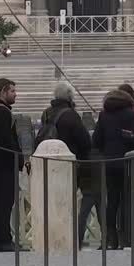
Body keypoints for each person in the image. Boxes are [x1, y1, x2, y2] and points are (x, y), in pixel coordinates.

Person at [38, 83, 93, 248]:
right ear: (70, 97)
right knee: (69, 203)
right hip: (68, 166)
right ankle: (69, 238)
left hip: (48, 163)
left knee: (52, 203)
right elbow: (84, 142)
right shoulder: (71, 115)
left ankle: (51, 237)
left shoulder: (46, 113)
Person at [91, 89, 134, 249]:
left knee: (112, 200)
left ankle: (111, 238)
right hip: (128, 161)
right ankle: (126, 236)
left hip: (110, 162)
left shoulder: (104, 115)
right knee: (127, 199)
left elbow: (96, 140)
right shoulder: (131, 114)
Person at [0, 78, 23, 251]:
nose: (15, 94)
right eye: (12, 91)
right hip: (3, 167)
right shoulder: (1, 112)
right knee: (3, 203)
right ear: (2, 92)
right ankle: (2, 240)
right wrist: (17, 157)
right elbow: (5, 141)